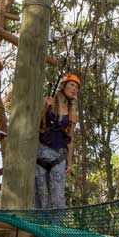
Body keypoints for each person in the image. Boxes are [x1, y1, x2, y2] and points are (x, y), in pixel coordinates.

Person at [35, 72, 80, 210]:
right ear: (63, 86)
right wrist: (44, 107)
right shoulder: (48, 102)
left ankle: (56, 229)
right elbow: (36, 126)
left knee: (58, 198)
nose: (74, 89)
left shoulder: (72, 113)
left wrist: (70, 163)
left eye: (77, 87)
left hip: (58, 156)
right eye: (72, 85)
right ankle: (36, 229)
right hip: (40, 155)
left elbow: (70, 140)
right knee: (40, 196)